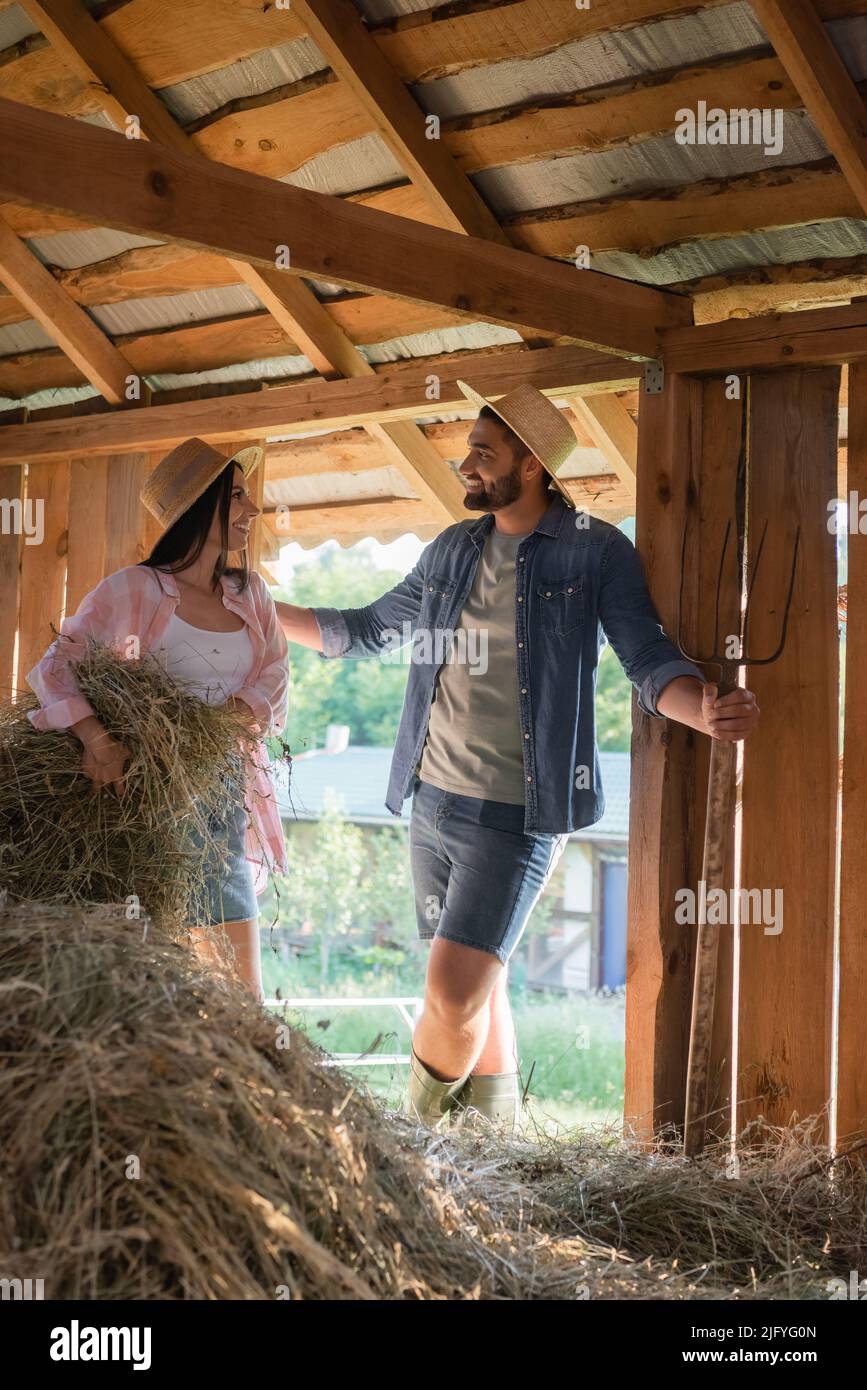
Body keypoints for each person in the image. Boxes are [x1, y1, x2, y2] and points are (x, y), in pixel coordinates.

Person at [275, 382, 760, 1133]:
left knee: (454, 994)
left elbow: (645, 658)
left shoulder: (594, 549)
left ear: (530, 465)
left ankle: (407, 1149)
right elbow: (366, 631)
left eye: (481, 452)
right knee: (482, 986)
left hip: (517, 815)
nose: (464, 464)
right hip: (430, 802)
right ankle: (490, 1149)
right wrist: (253, 609)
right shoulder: (451, 548)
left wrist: (699, 707)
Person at [26, 437, 289, 998]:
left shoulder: (250, 593)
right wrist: (98, 742)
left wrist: (230, 721)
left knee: (239, 995)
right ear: (201, 506)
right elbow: (54, 669)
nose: (252, 509)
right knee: (155, 982)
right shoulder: (134, 589)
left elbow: (275, 671)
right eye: (238, 496)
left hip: (221, 796)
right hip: (142, 802)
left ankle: (236, 1078)